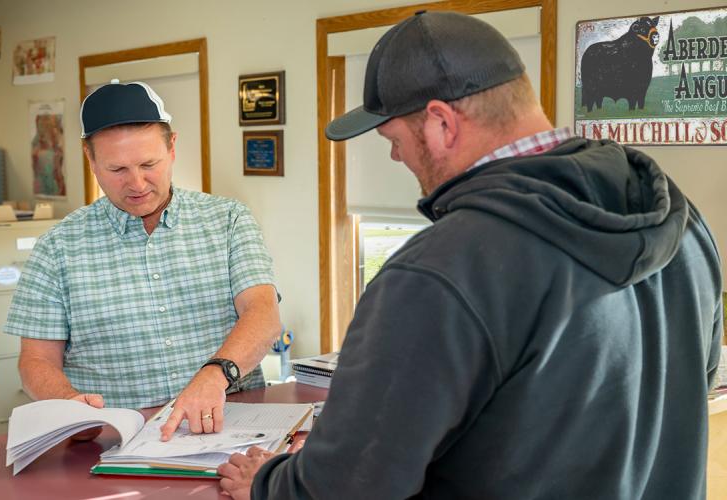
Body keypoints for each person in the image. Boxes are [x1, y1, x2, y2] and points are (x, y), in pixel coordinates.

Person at [219, 11, 724, 499]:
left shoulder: (438, 272)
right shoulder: (680, 221)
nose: (395, 157)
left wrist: (269, 484)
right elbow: (685, 391)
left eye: (393, 139)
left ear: (441, 123)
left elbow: (346, 486)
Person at [5, 80, 282, 439]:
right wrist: (68, 402)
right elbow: (36, 361)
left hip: (229, 429)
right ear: (90, 160)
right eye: (117, 170)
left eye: (148, 164)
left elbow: (263, 315)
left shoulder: (228, 221)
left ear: (172, 147)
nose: (136, 183)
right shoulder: (57, 248)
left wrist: (215, 375)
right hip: (118, 442)